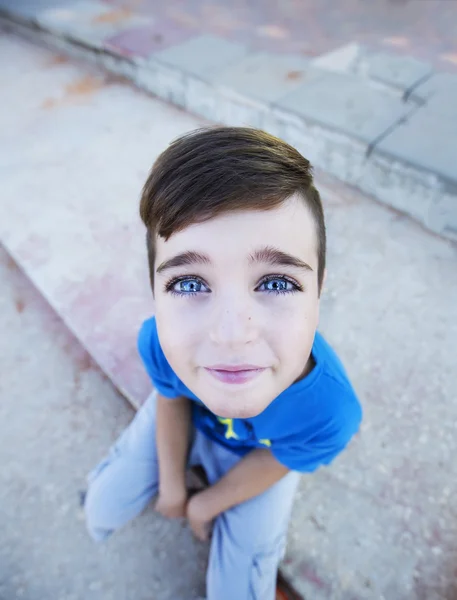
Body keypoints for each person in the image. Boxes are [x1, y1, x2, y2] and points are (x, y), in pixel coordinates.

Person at [84, 127, 362, 600]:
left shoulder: (330, 410)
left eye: (276, 283)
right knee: (100, 510)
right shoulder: (161, 341)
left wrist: (206, 504)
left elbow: (280, 458)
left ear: (319, 289)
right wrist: (172, 486)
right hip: (188, 415)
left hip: (260, 453)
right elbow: (170, 400)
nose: (232, 335)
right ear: (155, 291)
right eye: (190, 284)